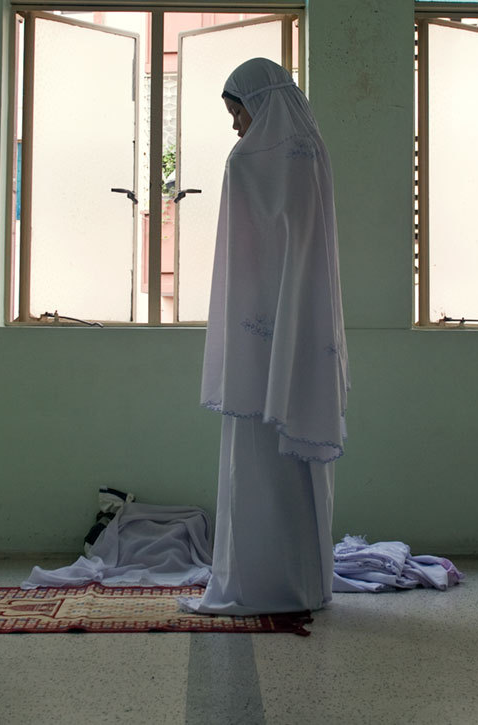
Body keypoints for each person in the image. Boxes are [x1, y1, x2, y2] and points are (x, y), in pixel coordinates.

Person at [185, 57, 350, 616]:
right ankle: (305, 584)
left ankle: (260, 583)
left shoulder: (252, 160)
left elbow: (247, 257)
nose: (236, 126)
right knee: (294, 460)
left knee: (260, 458)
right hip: (302, 329)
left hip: (260, 329)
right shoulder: (312, 152)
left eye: (239, 112)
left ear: (261, 105)